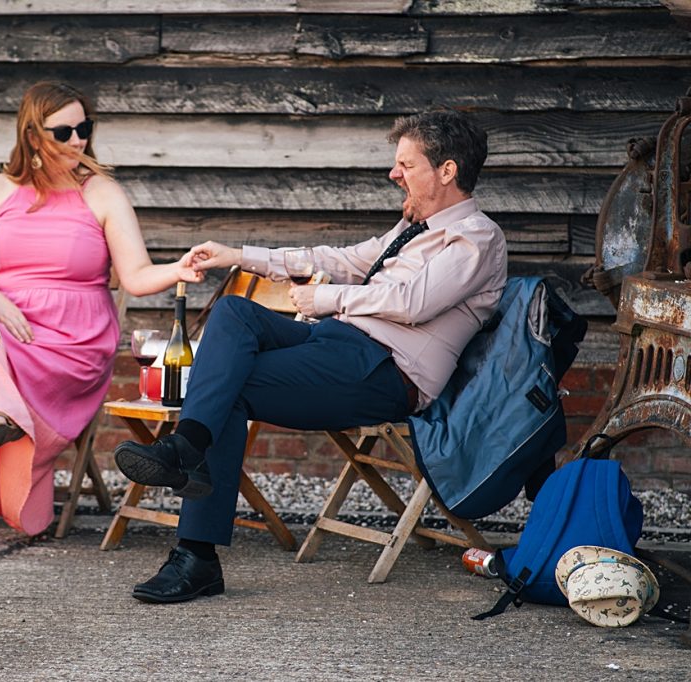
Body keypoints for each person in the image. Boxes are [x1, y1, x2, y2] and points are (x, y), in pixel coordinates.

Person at [113, 110, 508, 602]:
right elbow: (337, 260)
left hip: (385, 371)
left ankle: (195, 546)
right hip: (337, 345)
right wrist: (238, 255)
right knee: (236, 312)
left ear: (446, 171)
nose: (394, 173)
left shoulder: (475, 237)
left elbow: (414, 303)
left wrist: (328, 300)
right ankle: (187, 451)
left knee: (224, 389)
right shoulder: (410, 230)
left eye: (405, 163)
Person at [0, 81, 202, 552]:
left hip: (71, 342)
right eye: (64, 131)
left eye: (84, 128)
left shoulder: (102, 193)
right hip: (6, 329)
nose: (78, 140)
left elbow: (133, 276)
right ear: (33, 136)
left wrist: (177, 269)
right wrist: (0, 303)